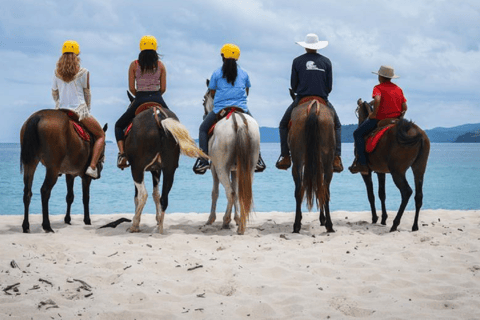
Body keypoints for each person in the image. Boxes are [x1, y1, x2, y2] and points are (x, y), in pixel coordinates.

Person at [193, 43, 266, 174]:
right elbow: (246, 91)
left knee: (203, 129)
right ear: (237, 58)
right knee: (255, 127)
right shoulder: (244, 73)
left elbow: (213, 93)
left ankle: (203, 161)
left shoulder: (216, 73)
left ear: (222, 57)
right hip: (241, 108)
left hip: (221, 108)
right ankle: (258, 158)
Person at [276, 33, 343, 172]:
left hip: (301, 98)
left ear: (305, 46)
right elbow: (329, 86)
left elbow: (293, 85)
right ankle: (337, 157)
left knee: (283, 125)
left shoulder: (297, 61)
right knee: (337, 125)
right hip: (322, 98)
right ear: (317, 46)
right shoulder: (327, 61)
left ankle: (285, 156)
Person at [52, 40, 105, 179]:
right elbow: (87, 93)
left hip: (61, 111)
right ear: (77, 56)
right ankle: (92, 167)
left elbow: (54, 92)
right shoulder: (84, 72)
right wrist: (87, 110)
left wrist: (58, 104)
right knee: (100, 135)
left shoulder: (56, 72)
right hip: (78, 111)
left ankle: (57, 166)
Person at [115, 35, 169, 168]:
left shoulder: (134, 65)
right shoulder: (160, 65)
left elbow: (132, 88)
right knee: (174, 123)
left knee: (118, 126)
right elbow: (163, 88)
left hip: (140, 98)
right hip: (157, 98)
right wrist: (156, 97)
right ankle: (173, 152)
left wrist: (140, 97)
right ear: (155, 49)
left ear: (140, 48)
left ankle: (122, 155)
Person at [349, 65, 408, 174]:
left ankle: (362, 164)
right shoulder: (398, 89)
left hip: (380, 119)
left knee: (357, 134)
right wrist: (399, 117)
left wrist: (373, 114)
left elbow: (377, 99)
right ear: (391, 78)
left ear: (380, 77)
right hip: (396, 120)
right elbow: (405, 107)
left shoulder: (378, 88)